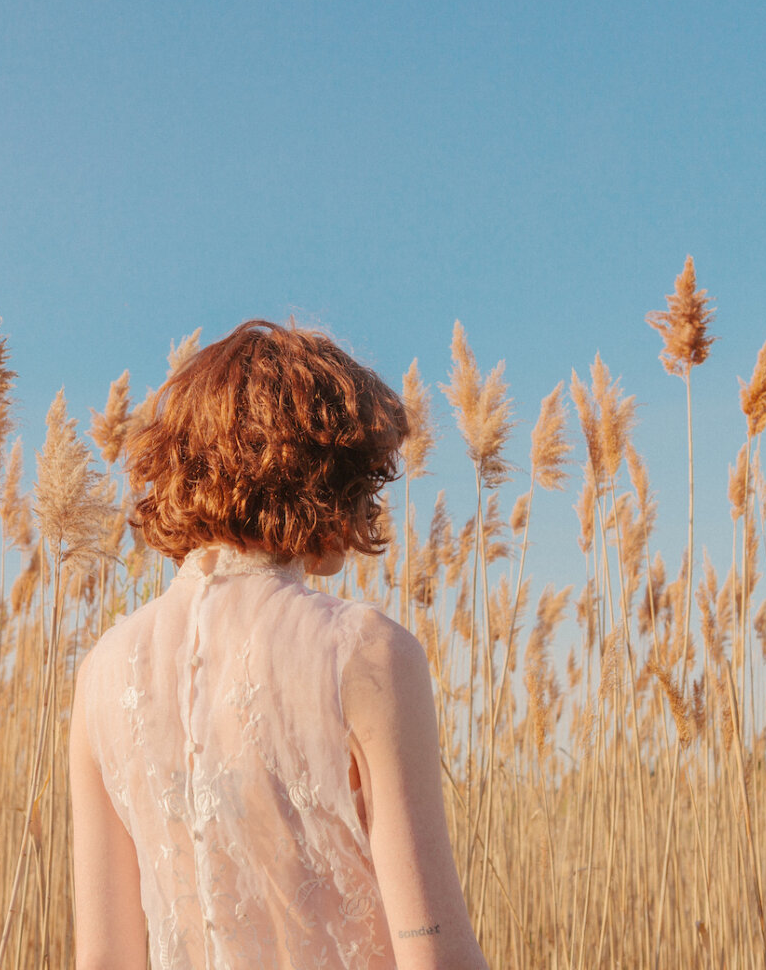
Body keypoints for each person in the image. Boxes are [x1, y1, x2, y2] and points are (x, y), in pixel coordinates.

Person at [70, 320, 488, 970]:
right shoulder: (367, 654)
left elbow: (104, 959)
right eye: (361, 479)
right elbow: (432, 957)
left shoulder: (101, 673)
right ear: (324, 477)